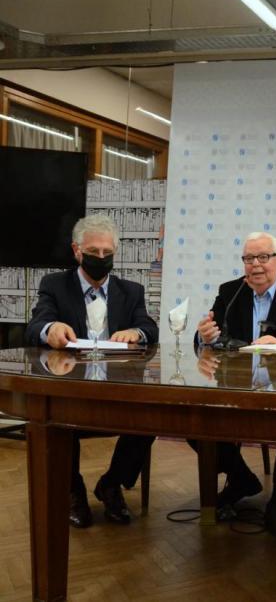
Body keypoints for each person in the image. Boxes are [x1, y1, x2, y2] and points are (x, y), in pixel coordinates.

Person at [25, 214, 159, 528]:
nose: (101, 259)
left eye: (107, 253)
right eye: (93, 252)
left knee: (150, 417)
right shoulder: (55, 285)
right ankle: (74, 491)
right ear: (76, 251)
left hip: (118, 388)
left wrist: (136, 334)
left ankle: (111, 484)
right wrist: (51, 328)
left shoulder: (132, 291)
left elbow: (148, 327)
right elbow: (34, 327)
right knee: (58, 419)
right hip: (72, 386)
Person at [193, 231, 276, 532]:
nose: (256, 265)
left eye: (263, 257)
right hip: (239, 385)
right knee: (194, 418)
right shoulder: (231, 292)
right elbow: (212, 335)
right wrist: (206, 336)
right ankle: (240, 477)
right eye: (249, 258)